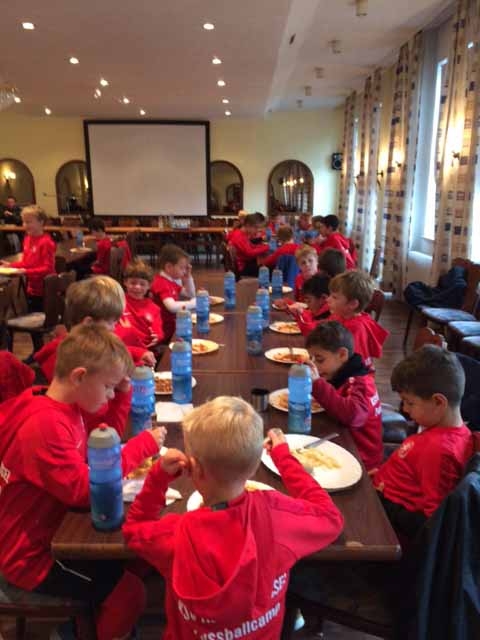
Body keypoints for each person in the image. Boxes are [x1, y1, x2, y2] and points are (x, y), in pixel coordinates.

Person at [123, 396, 343, 640]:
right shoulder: (277, 516)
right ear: (255, 465)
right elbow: (330, 516)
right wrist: (283, 457)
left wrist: (158, 477)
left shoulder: (176, 534)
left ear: (195, 468)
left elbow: (134, 528)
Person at [0, 325, 165, 640]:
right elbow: (84, 490)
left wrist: (122, 393)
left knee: (140, 556)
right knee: (130, 594)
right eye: (107, 387)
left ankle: (85, 623)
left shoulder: (64, 404)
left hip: (56, 528)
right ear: (79, 377)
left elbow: (105, 436)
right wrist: (143, 445)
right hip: (33, 556)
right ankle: (84, 629)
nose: (110, 394)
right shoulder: (45, 426)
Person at [372, 346, 474, 540]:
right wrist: (385, 474)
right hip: (384, 497)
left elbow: (432, 524)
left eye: (410, 402)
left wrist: (385, 503)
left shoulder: (439, 452)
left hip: (388, 526)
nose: (404, 409)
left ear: (438, 402)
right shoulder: (446, 432)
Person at [34, 275, 155, 384]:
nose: (114, 328)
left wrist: (137, 353)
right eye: (111, 322)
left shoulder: (87, 342)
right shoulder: (69, 357)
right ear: (89, 323)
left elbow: (109, 352)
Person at [306, 322, 383, 471]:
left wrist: (317, 384)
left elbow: (353, 416)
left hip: (361, 459)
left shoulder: (361, 383)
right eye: (311, 358)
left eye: (320, 360)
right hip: (344, 440)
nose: (315, 365)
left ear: (342, 354)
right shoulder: (341, 373)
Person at [326, 270, 389, 370]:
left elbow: (352, 363)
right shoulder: (340, 315)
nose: (328, 300)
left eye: (334, 297)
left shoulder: (355, 328)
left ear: (353, 304)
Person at [1, 205, 56, 313]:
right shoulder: (27, 239)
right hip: (32, 288)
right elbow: (27, 263)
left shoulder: (46, 242)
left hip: (45, 289)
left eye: (29, 222)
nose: (25, 225)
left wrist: (26, 272)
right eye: (24, 222)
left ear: (41, 222)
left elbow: (48, 269)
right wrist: (10, 265)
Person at [150, 244, 196, 343]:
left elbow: (190, 294)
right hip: (165, 331)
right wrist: (193, 303)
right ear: (168, 267)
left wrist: (188, 276)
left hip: (173, 326)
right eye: (182, 268)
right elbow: (172, 307)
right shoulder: (161, 283)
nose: (184, 271)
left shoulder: (170, 281)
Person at [118, 258, 164, 351]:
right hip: (123, 348)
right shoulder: (118, 302)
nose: (137, 287)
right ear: (125, 282)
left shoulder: (154, 308)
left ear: (149, 286)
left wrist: (157, 336)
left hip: (146, 349)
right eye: (133, 283)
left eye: (142, 284)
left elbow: (158, 330)